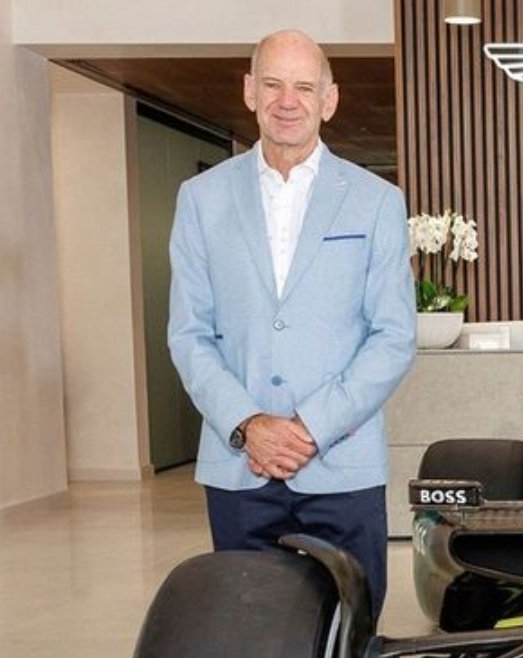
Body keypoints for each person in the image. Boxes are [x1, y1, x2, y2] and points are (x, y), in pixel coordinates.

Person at [168, 29, 416, 618]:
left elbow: (394, 336)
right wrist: (248, 423)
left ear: (328, 100)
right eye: (274, 84)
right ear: (250, 91)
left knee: (351, 639)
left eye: (304, 86)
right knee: (247, 635)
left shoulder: (376, 201)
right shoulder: (201, 199)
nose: (288, 100)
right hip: (239, 467)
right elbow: (189, 333)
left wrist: (309, 427)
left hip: (341, 464)